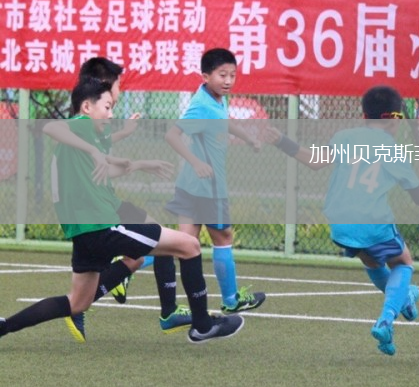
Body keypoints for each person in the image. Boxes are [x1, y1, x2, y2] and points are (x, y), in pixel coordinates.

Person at [0, 79, 244, 344]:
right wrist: (94, 149)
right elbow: (51, 127)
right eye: (107, 106)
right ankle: (201, 325)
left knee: (78, 302)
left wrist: (138, 165)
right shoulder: (81, 125)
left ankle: (5, 326)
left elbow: (103, 171)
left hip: (85, 234)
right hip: (103, 225)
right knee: (189, 245)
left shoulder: (82, 142)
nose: (111, 114)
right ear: (86, 107)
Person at [264, 86, 419, 356]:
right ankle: (387, 319)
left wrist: (282, 141)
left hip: (340, 222)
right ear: (395, 119)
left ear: (365, 116)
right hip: (372, 221)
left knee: (373, 261)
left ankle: (404, 302)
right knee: (403, 262)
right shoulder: (393, 149)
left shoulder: (345, 137)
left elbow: (314, 161)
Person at [41, 57, 192, 340]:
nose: (120, 91)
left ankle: (106, 294)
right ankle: (167, 312)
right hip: (96, 208)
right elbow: (71, 139)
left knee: (139, 255)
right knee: (157, 242)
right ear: (104, 84)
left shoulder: (93, 119)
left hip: (101, 204)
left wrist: (127, 144)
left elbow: (103, 151)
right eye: (118, 84)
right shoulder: (83, 122)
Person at [164, 48, 265, 314]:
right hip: (208, 187)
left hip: (189, 185)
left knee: (183, 244)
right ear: (206, 76)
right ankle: (231, 301)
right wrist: (196, 162)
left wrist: (248, 138)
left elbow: (224, 122)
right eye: (222, 75)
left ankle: (131, 260)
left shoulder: (215, 99)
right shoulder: (201, 105)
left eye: (232, 75)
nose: (228, 80)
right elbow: (172, 135)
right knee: (223, 236)